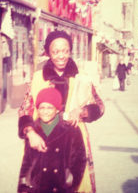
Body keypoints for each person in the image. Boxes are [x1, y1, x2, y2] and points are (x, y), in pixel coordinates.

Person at [18, 30, 105, 193]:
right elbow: (24, 109)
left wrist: (83, 111)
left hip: (73, 143)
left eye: (65, 51)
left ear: (70, 51)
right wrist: (30, 133)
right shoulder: (38, 78)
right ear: (49, 53)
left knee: (74, 183)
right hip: (42, 139)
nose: (61, 56)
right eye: (56, 51)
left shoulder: (81, 78)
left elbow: (100, 106)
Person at [17, 87, 87, 193]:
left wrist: (71, 184)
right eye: (42, 108)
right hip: (38, 188)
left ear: (57, 109)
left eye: (50, 108)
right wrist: (23, 188)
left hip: (62, 187)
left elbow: (79, 160)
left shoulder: (70, 129)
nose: (45, 112)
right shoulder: (33, 131)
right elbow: (26, 162)